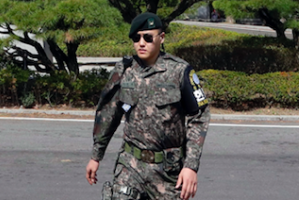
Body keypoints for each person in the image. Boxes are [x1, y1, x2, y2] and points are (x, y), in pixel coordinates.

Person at [85, 13, 210, 200]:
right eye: (136, 38)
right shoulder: (125, 71)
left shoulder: (180, 72)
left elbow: (198, 118)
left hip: (167, 172)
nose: (141, 43)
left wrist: (190, 166)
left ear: (161, 38)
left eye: (148, 37)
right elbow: (108, 115)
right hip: (130, 164)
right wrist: (96, 156)